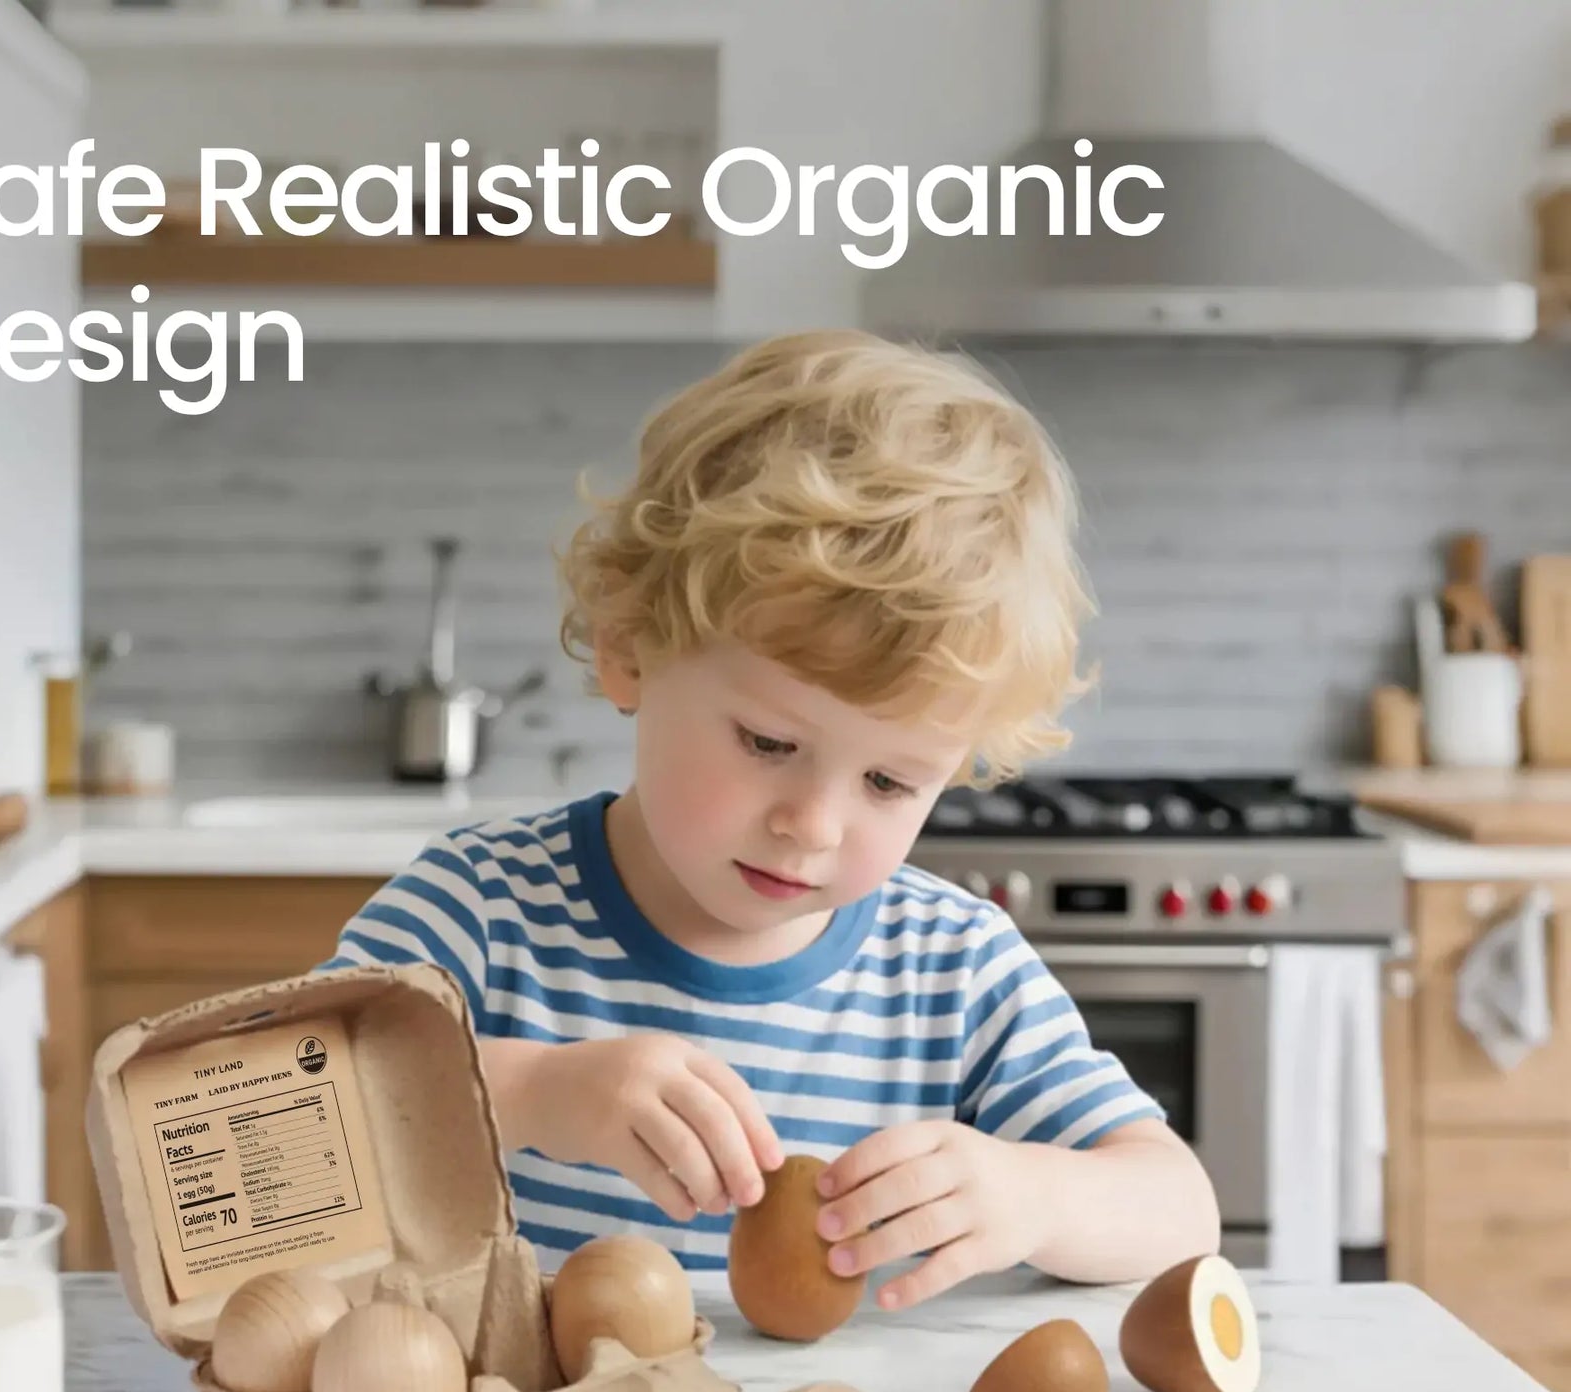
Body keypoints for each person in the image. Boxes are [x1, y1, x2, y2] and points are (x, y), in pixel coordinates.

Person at [320, 330, 1219, 1309]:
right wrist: (528, 1093)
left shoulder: (953, 968)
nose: (814, 825)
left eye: (889, 783)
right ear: (630, 649)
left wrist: (1034, 1193)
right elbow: (259, 1136)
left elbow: (1179, 1209)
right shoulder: (482, 911)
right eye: (769, 745)